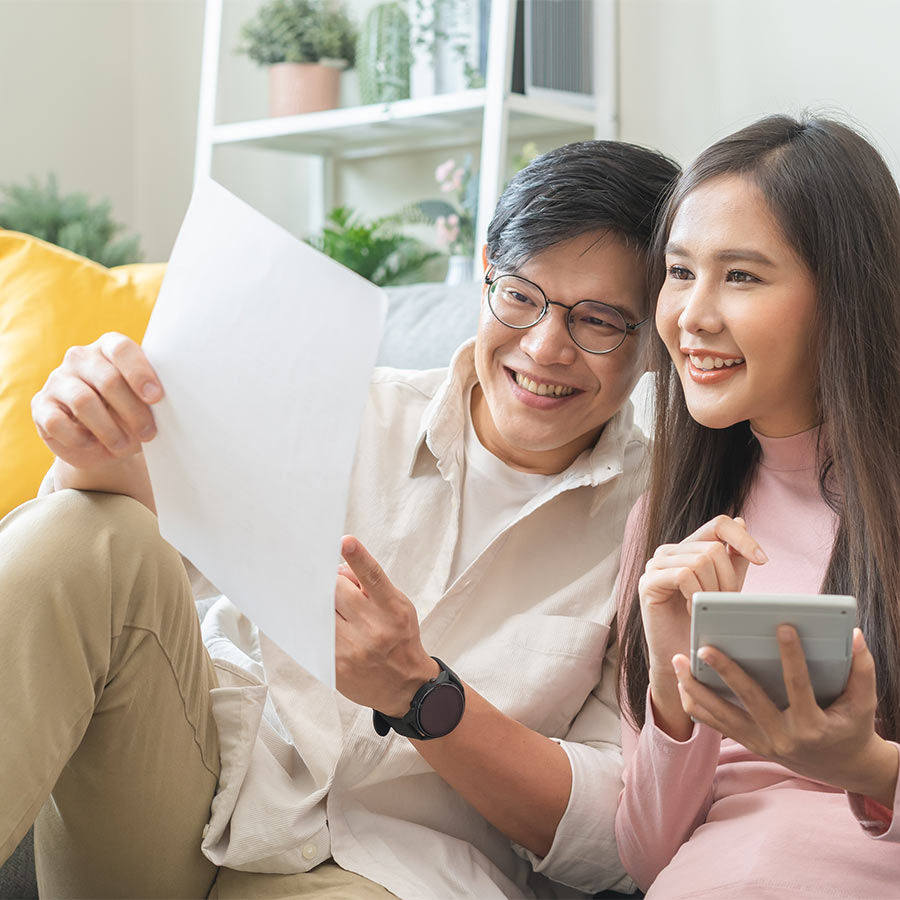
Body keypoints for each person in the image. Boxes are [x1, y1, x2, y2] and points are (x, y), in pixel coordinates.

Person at [0, 140, 679, 899]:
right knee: (78, 530)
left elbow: (613, 839)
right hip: (195, 791)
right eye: (521, 296)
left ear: (656, 336)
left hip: (393, 868)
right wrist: (86, 438)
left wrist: (422, 696)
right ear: (485, 268)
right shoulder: (341, 402)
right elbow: (117, 560)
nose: (546, 348)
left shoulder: (657, 531)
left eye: (598, 321)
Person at [615, 114, 900, 898]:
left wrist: (869, 768)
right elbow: (645, 858)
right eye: (679, 272)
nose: (693, 316)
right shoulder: (673, 526)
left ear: (842, 296)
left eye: (741, 276)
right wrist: (674, 701)